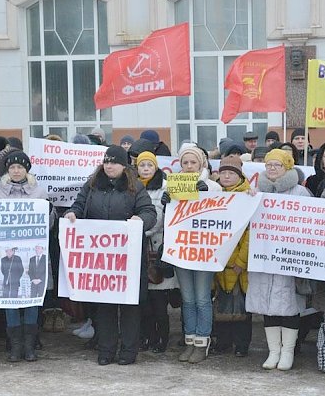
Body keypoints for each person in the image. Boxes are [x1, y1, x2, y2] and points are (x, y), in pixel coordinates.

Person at [65, 145, 156, 366]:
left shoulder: (135, 187)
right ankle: (105, 350)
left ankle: (128, 351)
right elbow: (79, 205)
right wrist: (72, 214)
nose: (109, 166)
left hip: (128, 258)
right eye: (106, 162)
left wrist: (140, 220)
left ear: (123, 165)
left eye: (113, 162)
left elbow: (149, 212)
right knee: (104, 307)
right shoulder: (93, 184)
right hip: (102, 260)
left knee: (129, 308)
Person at [245, 149, 311, 371]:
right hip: (264, 257)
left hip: (288, 258)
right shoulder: (256, 192)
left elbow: (309, 224)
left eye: (277, 165)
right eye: (269, 164)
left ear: (288, 167)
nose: (272, 168)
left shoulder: (300, 192)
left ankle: (288, 351)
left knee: (288, 306)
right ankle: (273, 351)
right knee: (267, 305)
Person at [0, 150, 56, 362]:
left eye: (20, 167)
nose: (16, 171)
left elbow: (49, 226)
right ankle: (14, 346)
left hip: (32, 255)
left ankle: (30, 346)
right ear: (7, 171)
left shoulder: (39, 192)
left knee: (32, 299)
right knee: (10, 299)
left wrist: (50, 212)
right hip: (7, 256)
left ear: (27, 169)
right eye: (12, 168)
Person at [161, 145, 221, 364]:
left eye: (193, 162)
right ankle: (190, 340)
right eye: (185, 163)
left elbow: (224, 213)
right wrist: (166, 203)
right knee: (187, 299)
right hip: (182, 250)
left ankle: (203, 341)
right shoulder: (173, 185)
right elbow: (167, 219)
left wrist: (208, 194)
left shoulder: (213, 186)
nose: (188, 166)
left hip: (203, 251)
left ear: (201, 164)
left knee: (202, 298)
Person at [135, 151, 177, 353]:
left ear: (155, 167)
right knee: (144, 302)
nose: (145, 169)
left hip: (158, 246)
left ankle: (163, 338)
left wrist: (144, 229)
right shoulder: (133, 186)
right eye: (141, 165)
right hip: (138, 246)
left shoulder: (165, 186)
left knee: (159, 301)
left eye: (149, 165)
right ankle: (147, 337)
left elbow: (163, 216)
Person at [213, 155, 252, 357]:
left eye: (231, 173)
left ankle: (242, 344)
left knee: (242, 308)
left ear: (239, 175)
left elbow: (249, 235)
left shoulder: (248, 197)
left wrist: (241, 261)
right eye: (223, 172)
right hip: (218, 262)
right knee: (222, 305)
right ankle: (223, 342)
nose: (226, 176)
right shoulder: (213, 195)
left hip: (238, 264)